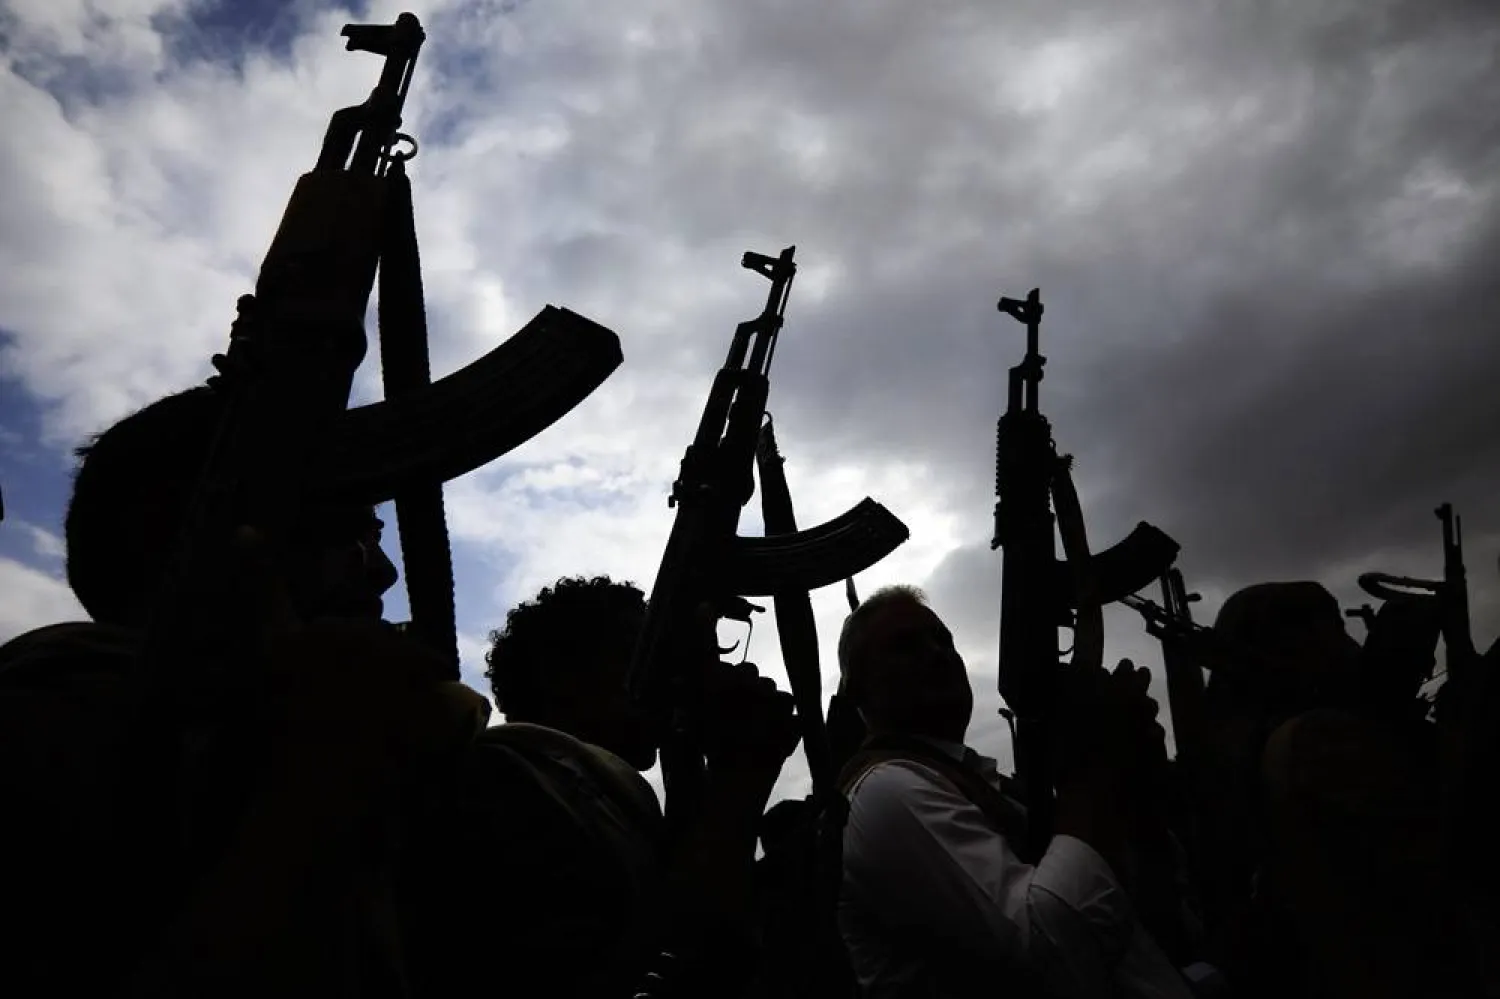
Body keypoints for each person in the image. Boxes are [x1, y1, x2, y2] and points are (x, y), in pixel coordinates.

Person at [0, 385, 490, 996]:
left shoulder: (247, 729)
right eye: (344, 530)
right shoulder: (57, 721)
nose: (382, 568)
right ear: (196, 534)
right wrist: (323, 779)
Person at [394, 574, 802, 997]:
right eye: (638, 653)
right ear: (561, 675)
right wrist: (739, 780)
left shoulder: (596, 795)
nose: (670, 680)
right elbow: (675, 957)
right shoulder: (508, 785)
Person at [834, 584, 1194, 999]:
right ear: (857, 689)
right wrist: (1096, 765)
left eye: (942, 639)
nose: (936, 653)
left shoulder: (984, 785)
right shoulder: (889, 789)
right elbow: (1050, 950)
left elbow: (1143, 907)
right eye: (904, 646)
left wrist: (1133, 784)